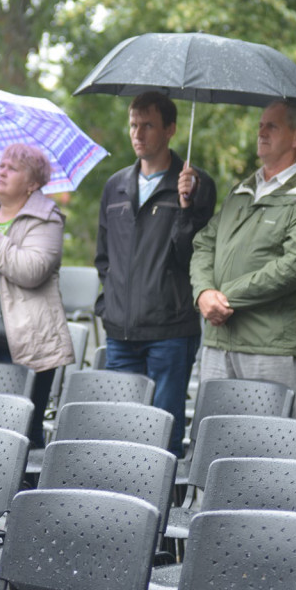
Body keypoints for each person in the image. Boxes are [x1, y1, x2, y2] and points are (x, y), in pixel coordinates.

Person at [190, 99, 296, 421]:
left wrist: (223, 297)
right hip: (217, 344)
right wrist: (203, 293)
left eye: (272, 126)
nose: (261, 132)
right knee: (214, 442)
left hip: (269, 348)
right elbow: (203, 244)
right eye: (260, 125)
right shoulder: (240, 192)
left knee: (276, 444)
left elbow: (295, 265)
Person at [95, 91, 216, 457]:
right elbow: (103, 258)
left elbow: (193, 257)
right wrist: (111, 303)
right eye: (133, 124)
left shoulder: (197, 185)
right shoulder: (115, 186)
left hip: (170, 330)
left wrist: (186, 207)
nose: (138, 133)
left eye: (148, 125)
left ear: (170, 129)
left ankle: (166, 494)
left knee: (164, 436)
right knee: (120, 432)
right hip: (121, 331)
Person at [0, 142, 74, 447]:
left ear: (32, 184)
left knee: (20, 432)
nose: (1, 171)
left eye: (12, 168)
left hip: (27, 338)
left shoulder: (46, 218)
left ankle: (26, 479)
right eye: (0, 165)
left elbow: (31, 270)